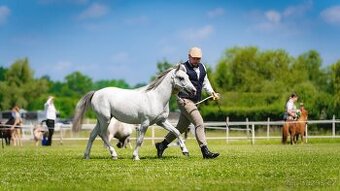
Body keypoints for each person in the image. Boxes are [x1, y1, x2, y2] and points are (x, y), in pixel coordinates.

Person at [155, 47, 220, 159]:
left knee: (181, 127)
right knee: (199, 123)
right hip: (184, 100)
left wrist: (212, 92)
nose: (196, 61)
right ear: (189, 56)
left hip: (195, 101)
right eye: (194, 58)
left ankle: (162, 145)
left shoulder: (202, 67)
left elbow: (205, 82)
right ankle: (205, 151)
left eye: (198, 59)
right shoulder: (183, 68)